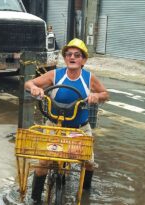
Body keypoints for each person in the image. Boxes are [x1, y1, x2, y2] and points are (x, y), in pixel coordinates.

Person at [25, 38, 109, 204]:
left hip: (80, 128)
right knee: (43, 163)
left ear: (83, 59)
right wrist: (34, 87)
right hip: (54, 125)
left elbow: (106, 94)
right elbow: (29, 83)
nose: (72, 57)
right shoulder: (55, 74)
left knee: (89, 163)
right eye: (69, 54)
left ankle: (85, 192)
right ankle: (34, 198)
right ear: (65, 58)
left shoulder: (89, 77)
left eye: (77, 55)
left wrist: (96, 96)